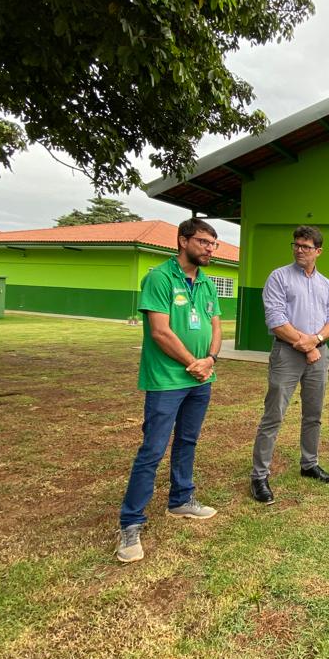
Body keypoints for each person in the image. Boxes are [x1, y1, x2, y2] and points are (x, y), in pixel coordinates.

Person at [116, 219, 222, 563]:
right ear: (183, 240)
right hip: (166, 380)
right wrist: (193, 362)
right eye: (203, 242)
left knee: (188, 441)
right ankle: (131, 522)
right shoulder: (160, 278)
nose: (209, 249)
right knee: (153, 449)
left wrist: (210, 359)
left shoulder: (206, 283)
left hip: (201, 380)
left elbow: (216, 326)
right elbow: (160, 332)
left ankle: (181, 500)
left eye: (213, 244)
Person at [249, 225, 329, 505]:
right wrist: (307, 345)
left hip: (318, 356)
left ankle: (309, 464)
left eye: (306, 247)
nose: (299, 250)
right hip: (287, 354)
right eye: (296, 245)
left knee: (314, 414)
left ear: (318, 251)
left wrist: (316, 341)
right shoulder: (279, 277)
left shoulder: (326, 285)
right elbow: (276, 320)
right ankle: (259, 476)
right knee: (274, 414)